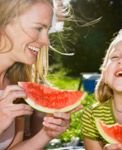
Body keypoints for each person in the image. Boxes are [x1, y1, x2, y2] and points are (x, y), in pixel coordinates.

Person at [0, 0, 76, 149]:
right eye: (38, 28)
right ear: (4, 23)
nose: (46, 41)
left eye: (47, 31)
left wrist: (47, 134)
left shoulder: (15, 85)